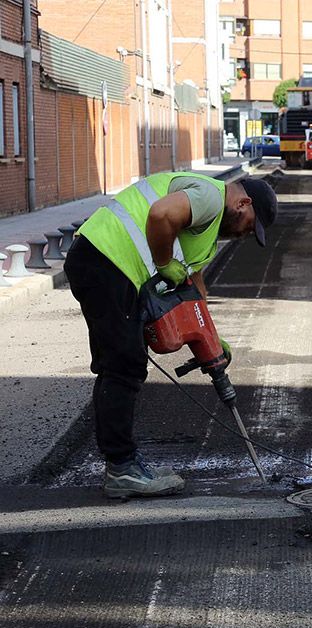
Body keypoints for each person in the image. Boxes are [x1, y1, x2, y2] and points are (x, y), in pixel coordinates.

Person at [64, 173, 278, 498]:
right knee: (123, 365)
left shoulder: (206, 223)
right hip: (105, 261)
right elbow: (160, 214)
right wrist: (164, 263)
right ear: (243, 203)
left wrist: (210, 339)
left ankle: (124, 465)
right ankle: (122, 470)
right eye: (251, 225)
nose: (247, 233)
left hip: (106, 265)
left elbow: (194, 282)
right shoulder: (209, 196)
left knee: (122, 364)